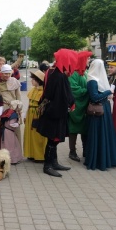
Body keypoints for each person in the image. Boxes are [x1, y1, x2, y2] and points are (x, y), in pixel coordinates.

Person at [37, 48, 76, 177]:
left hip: (57, 111)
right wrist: (69, 103)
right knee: (53, 139)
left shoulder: (57, 73)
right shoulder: (57, 75)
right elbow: (58, 95)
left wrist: (70, 102)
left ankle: (54, 162)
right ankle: (47, 165)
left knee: (55, 139)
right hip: (55, 112)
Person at [84, 59, 116, 170]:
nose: (105, 68)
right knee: (101, 135)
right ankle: (101, 160)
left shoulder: (99, 79)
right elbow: (94, 97)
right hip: (98, 111)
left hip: (104, 109)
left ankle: (109, 158)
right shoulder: (93, 80)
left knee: (106, 134)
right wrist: (108, 92)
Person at [67, 51, 91, 162]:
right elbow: (74, 90)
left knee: (85, 129)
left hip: (84, 106)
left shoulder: (84, 73)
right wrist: (88, 91)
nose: (89, 61)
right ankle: (72, 152)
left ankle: (86, 150)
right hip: (76, 107)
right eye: (87, 59)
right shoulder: (73, 74)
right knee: (73, 130)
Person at [23, 70, 47, 162]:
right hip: (30, 114)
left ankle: (39, 156)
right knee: (30, 135)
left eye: (33, 79)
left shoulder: (43, 92)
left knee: (38, 136)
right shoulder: (33, 90)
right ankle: (31, 154)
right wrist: (25, 115)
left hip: (37, 115)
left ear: (38, 80)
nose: (31, 81)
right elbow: (29, 103)